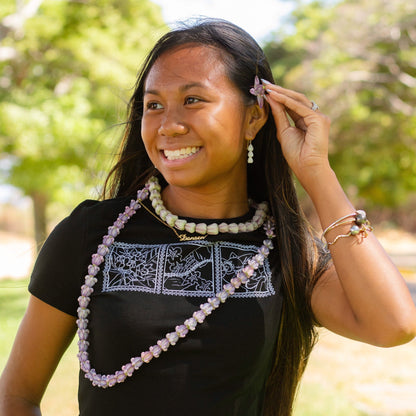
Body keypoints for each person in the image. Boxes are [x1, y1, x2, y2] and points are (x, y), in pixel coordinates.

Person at [1, 18, 415, 416]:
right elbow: (15, 397)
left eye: (193, 100)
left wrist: (316, 173)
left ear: (254, 117)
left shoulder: (285, 252)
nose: (168, 125)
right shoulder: (93, 235)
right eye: (153, 105)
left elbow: (393, 324)